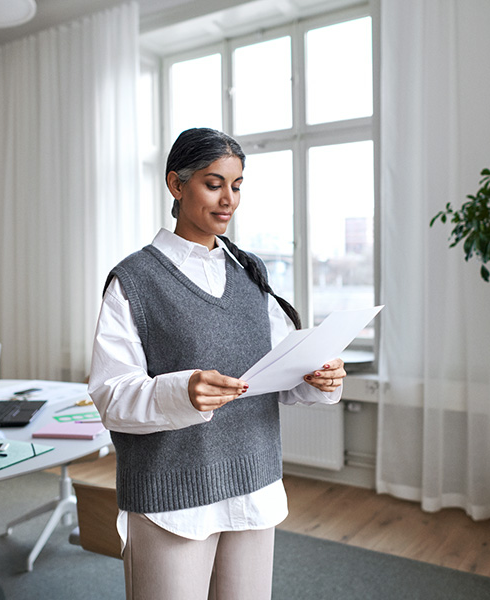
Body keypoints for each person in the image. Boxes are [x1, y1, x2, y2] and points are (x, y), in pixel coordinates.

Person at [87, 127, 346, 599]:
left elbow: (277, 375)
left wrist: (318, 378)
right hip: (172, 499)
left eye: (238, 184)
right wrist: (181, 391)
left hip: (253, 484)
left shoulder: (250, 273)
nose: (229, 199)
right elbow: (110, 395)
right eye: (214, 183)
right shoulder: (133, 281)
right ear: (176, 184)